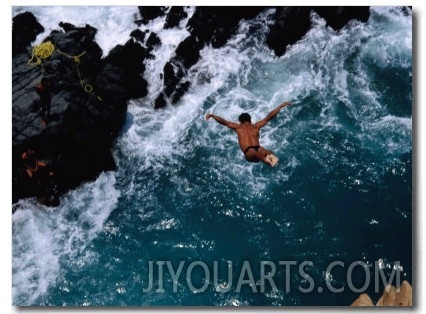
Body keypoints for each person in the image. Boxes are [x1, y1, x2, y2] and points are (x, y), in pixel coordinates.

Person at [205, 102, 292, 167]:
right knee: (260, 152)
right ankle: (267, 159)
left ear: (240, 121)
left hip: (251, 152)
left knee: (264, 152)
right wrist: (281, 106)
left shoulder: (238, 127)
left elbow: (224, 122)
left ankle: (269, 159)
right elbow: (269, 117)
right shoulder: (256, 126)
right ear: (250, 120)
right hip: (252, 151)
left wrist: (212, 115)